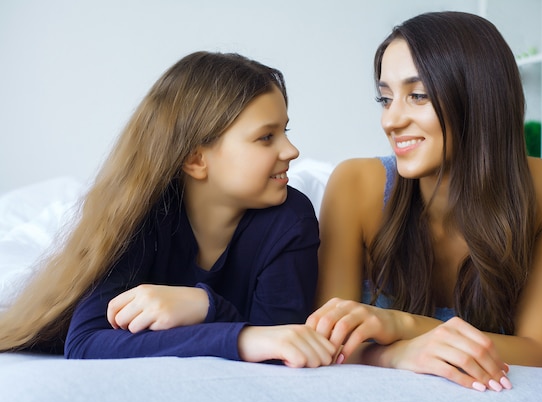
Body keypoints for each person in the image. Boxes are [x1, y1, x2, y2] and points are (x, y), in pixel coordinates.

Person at [306, 11, 542, 391]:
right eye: (385, 98)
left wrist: (401, 324)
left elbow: (539, 352)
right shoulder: (355, 185)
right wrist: (396, 354)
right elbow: (329, 344)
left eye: (417, 95)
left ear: (479, 97)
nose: (390, 120)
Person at [0, 51, 336, 368]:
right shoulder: (142, 213)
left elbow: (282, 342)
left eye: (285, 130)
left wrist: (203, 307)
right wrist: (230, 326)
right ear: (196, 159)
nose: (291, 150)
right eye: (266, 137)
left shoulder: (291, 220)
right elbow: (85, 341)